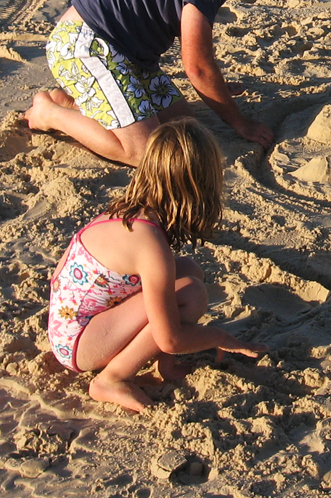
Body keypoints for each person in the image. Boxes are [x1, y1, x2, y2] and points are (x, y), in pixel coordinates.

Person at [47, 118, 265, 412]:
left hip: (70, 325)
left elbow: (58, 277)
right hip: (79, 343)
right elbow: (171, 338)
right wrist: (222, 338)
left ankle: (165, 366)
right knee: (191, 293)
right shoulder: (149, 243)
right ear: (198, 186)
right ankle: (111, 379)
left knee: (189, 270)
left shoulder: (127, 210)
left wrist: (167, 354)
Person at [26, 0, 282, 166]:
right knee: (144, 150)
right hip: (87, 45)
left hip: (129, 57)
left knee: (179, 124)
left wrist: (217, 87)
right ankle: (48, 113)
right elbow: (197, 66)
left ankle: (71, 105)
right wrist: (240, 122)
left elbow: (196, 47)